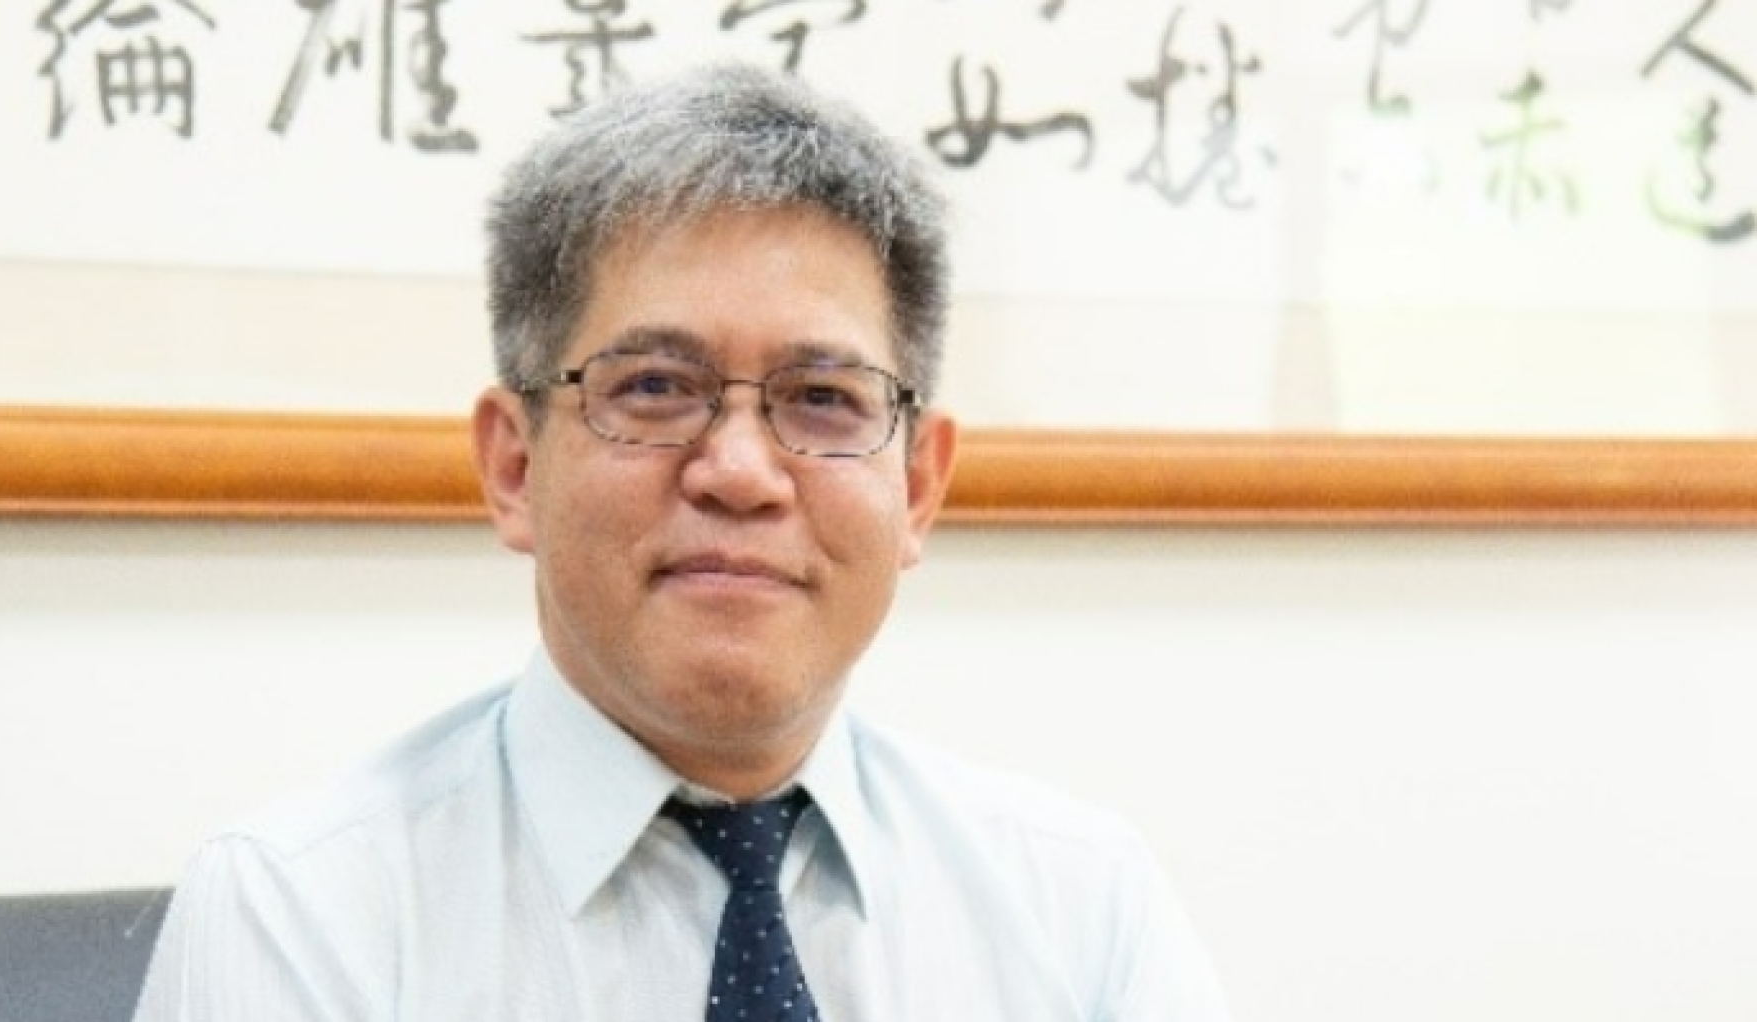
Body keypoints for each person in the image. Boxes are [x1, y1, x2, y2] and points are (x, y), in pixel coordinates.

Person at [133, 63, 1230, 1022]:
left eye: (823, 398)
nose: (740, 472)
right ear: (514, 466)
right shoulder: (304, 912)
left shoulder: (1081, 910)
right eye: (655, 388)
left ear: (918, 486)